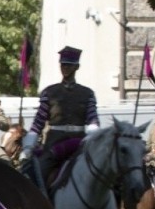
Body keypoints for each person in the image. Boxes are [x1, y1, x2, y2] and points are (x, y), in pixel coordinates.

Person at [20, 45, 99, 186]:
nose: (65, 68)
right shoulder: (49, 92)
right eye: (63, 64)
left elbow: (93, 121)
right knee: (38, 175)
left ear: (77, 67)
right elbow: (38, 122)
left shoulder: (88, 93)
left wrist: (94, 141)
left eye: (69, 65)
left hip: (79, 143)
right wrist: (28, 148)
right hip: (54, 143)